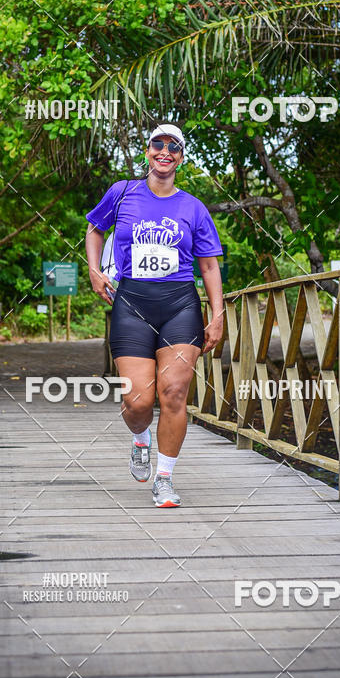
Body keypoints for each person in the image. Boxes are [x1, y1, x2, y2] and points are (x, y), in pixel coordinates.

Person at [85, 125, 224, 507]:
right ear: (147, 151)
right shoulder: (123, 192)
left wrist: (217, 314)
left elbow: (210, 267)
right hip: (131, 303)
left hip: (180, 304)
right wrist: (95, 270)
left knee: (174, 393)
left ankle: (164, 479)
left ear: (181, 156)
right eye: (157, 144)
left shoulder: (193, 207)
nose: (165, 152)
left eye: (173, 147)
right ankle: (139, 438)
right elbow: (95, 230)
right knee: (140, 402)